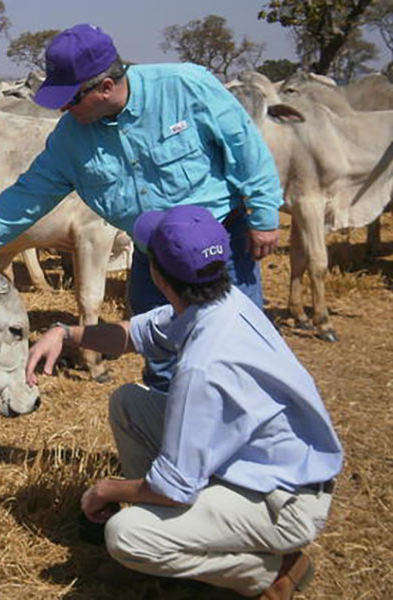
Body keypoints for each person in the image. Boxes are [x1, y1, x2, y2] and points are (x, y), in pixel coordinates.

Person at [0, 23, 283, 391]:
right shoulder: (71, 137)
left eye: (71, 98)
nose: (63, 108)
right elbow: (27, 196)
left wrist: (264, 215)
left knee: (236, 350)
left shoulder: (185, 86)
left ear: (106, 87)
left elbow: (245, 148)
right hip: (153, 253)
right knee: (162, 359)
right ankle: (167, 429)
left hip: (218, 244)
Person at [25, 205, 342, 599]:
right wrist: (67, 334)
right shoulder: (221, 303)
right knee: (130, 403)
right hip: (264, 466)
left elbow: (174, 487)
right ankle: (180, 547)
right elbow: (131, 334)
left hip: (285, 503)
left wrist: (105, 490)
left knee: (126, 536)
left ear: (158, 276)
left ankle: (273, 571)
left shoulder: (202, 365)